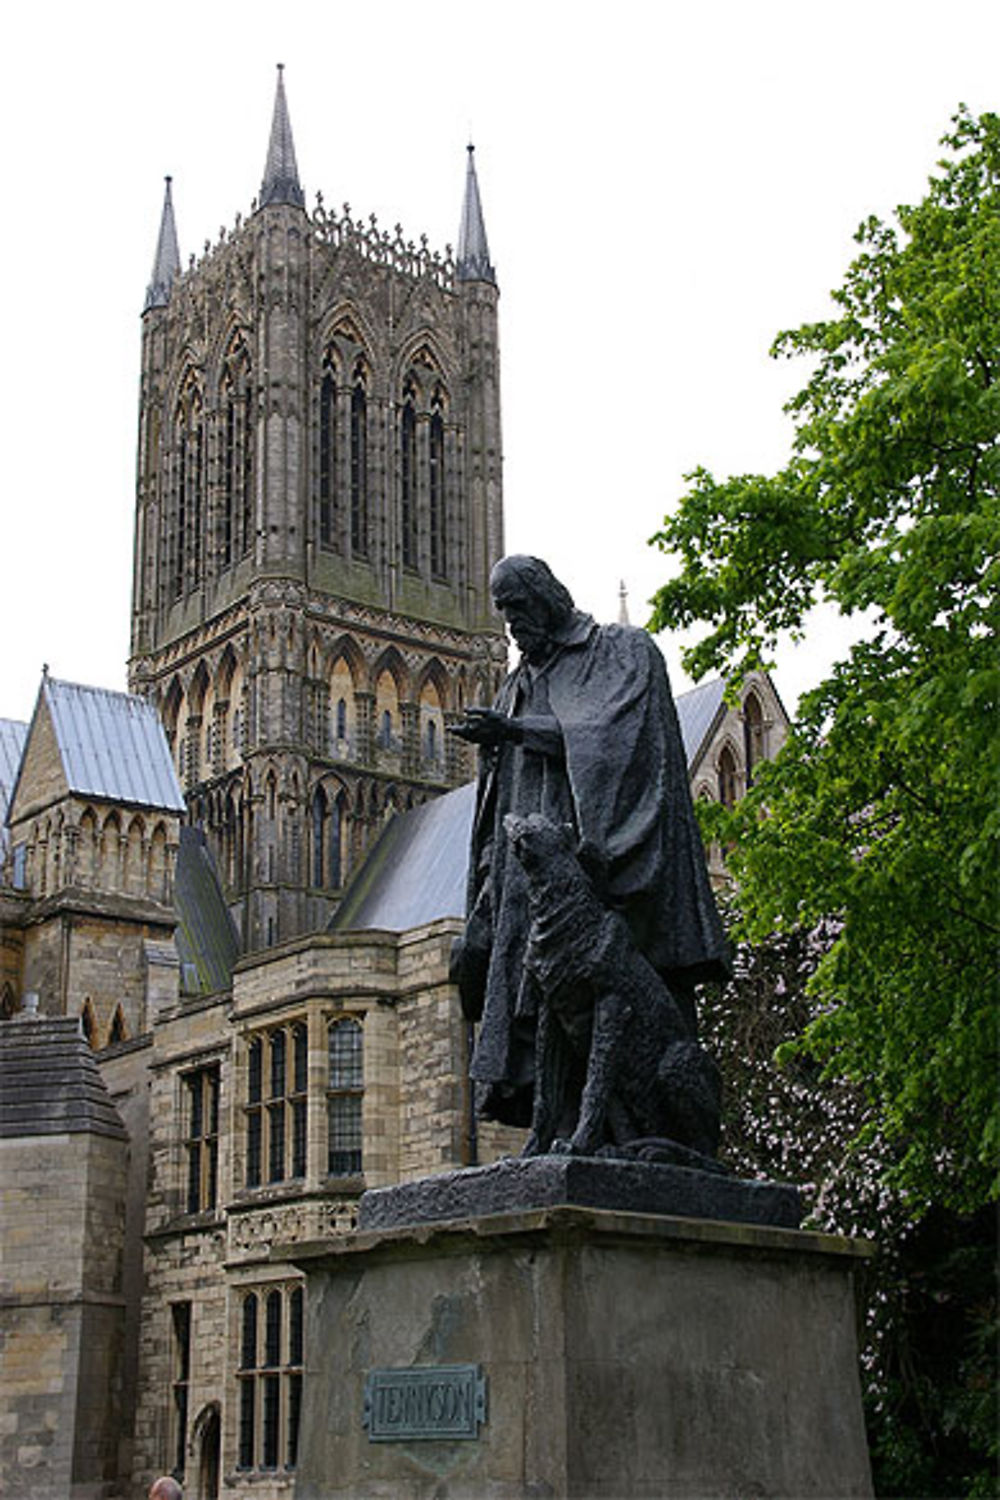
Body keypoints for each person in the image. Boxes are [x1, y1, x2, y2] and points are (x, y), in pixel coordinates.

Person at [450, 555, 731, 1129]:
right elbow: (497, 795)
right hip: (525, 876)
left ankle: (619, 1131)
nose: (510, 622)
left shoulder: (621, 652)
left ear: (548, 596)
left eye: (517, 606)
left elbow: (611, 742)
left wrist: (511, 731)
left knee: (608, 1002)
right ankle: (558, 1125)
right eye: (501, 610)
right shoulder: (518, 681)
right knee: (509, 983)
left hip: (592, 872)